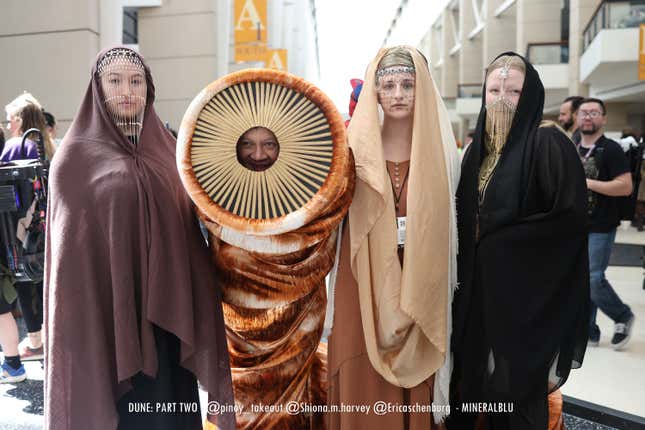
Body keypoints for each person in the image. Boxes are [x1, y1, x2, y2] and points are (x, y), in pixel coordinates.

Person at [45, 46, 234, 429]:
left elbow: (190, 230)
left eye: (136, 81)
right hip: (108, 324)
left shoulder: (168, 152)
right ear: (98, 88)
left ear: (149, 89)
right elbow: (71, 257)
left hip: (167, 320)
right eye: (115, 81)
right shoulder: (73, 159)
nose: (127, 91)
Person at [449, 53, 589, 430]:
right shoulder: (477, 152)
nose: (500, 98)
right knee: (474, 382)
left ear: (530, 95)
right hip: (479, 294)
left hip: (524, 298)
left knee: (513, 392)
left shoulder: (546, 142)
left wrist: (496, 241)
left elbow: (570, 220)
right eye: (493, 89)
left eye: (513, 91)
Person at [327, 45, 460, 429]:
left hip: (423, 278)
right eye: (388, 86)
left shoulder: (444, 155)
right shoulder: (349, 151)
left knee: (419, 371)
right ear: (375, 92)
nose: (399, 94)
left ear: (423, 90)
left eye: (408, 84)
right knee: (360, 368)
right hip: (361, 280)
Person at [576, 98, 635, 350]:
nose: (588, 117)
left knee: (593, 277)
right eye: (584, 112)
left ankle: (622, 316)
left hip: (600, 224)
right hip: (573, 225)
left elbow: (625, 186)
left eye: (594, 112)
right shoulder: (570, 146)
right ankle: (588, 329)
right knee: (580, 279)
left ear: (604, 118)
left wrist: (588, 183)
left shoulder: (610, 149)